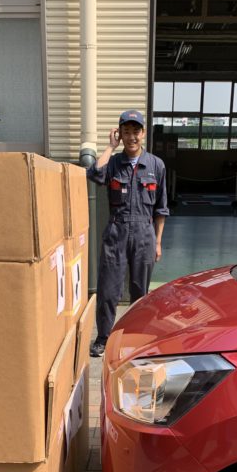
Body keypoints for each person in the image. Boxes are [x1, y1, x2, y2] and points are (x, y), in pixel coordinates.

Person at [87, 109, 169, 357]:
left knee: (140, 292)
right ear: (120, 134)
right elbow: (94, 174)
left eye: (136, 131)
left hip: (145, 233)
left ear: (143, 133)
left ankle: (136, 337)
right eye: (126, 131)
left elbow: (161, 208)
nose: (131, 136)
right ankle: (103, 337)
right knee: (108, 290)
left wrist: (158, 242)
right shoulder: (113, 163)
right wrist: (110, 147)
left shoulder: (156, 165)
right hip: (117, 232)